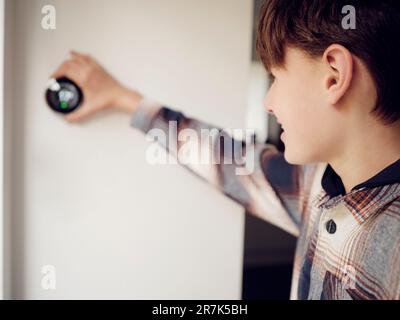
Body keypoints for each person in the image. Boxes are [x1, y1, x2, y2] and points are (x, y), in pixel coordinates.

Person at [50, 0, 400, 300]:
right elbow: (230, 162)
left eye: (276, 77)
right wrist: (123, 99)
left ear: (334, 76)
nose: (268, 102)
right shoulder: (318, 184)